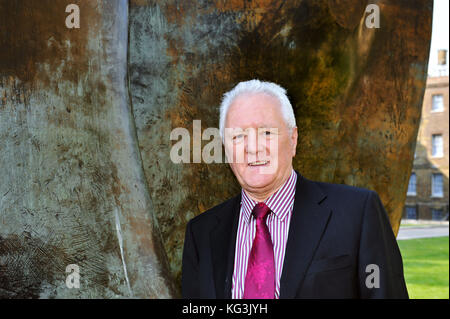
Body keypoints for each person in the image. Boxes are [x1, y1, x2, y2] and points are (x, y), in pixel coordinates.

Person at [181, 79, 408, 299]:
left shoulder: (357, 213)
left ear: (293, 139)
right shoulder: (201, 234)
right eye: (239, 136)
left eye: (266, 133)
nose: (253, 148)